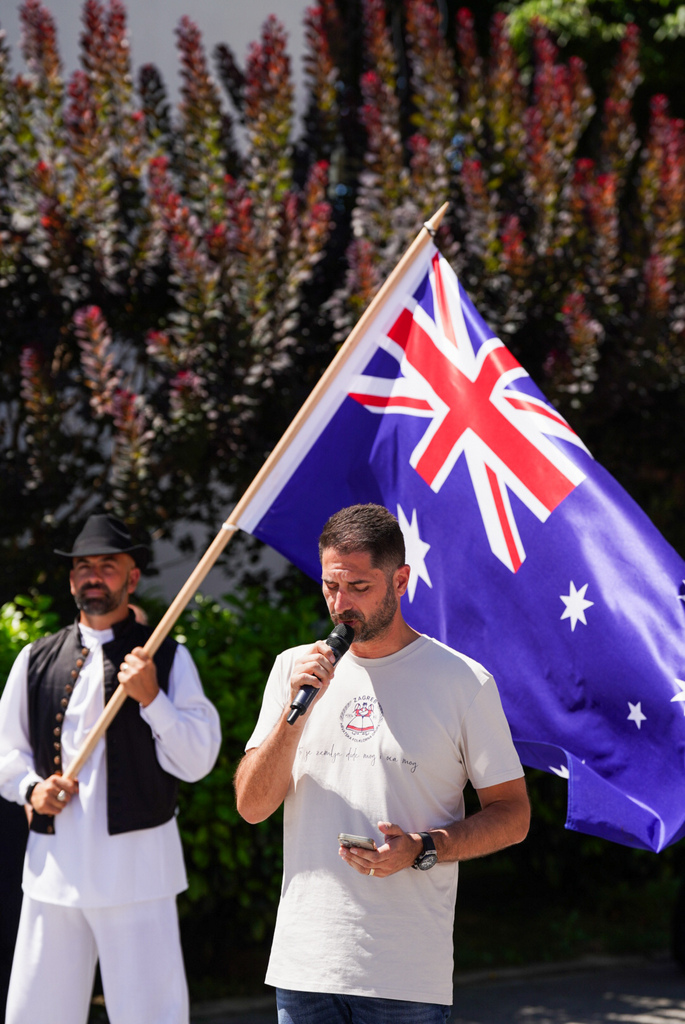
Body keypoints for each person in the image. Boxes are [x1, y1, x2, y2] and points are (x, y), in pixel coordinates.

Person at [235, 503, 530, 1024]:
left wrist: (423, 848)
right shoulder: (293, 670)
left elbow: (513, 814)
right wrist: (293, 716)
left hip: (405, 976)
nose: (340, 604)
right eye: (330, 586)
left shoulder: (463, 682)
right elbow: (252, 806)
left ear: (400, 581)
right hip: (304, 970)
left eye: (359, 587)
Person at [0, 513, 222, 1024]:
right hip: (53, 871)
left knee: (151, 1016)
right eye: (83, 567)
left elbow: (198, 759)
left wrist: (153, 699)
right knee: (37, 1014)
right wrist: (32, 789)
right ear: (71, 579)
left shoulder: (167, 658)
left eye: (107, 565)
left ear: (132, 577)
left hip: (138, 874)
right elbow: (8, 751)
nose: (93, 576)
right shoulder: (35, 658)